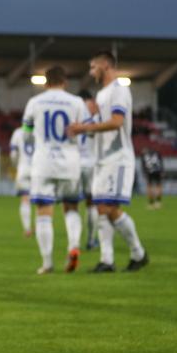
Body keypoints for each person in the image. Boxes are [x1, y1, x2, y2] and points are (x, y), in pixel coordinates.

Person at [68, 51, 149, 273]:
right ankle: (107, 260)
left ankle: (138, 253)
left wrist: (86, 127)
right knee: (101, 208)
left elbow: (116, 122)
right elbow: (100, 125)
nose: (91, 71)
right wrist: (83, 126)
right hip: (102, 159)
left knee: (108, 207)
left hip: (118, 158)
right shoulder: (102, 94)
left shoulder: (119, 90)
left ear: (105, 65)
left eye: (93, 67)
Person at [22, 66, 88, 274]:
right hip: (70, 162)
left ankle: (47, 263)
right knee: (71, 208)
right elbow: (86, 132)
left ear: (45, 82)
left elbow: (26, 133)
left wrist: (35, 138)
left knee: (43, 212)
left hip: (43, 163)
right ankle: (74, 246)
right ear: (65, 82)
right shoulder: (77, 102)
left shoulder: (35, 102)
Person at [77, 90, 99, 249]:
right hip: (91, 165)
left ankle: (74, 243)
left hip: (75, 165)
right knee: (92, 204)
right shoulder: (97, 120)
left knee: (72, 205)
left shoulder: (72, 118)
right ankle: (91, 240)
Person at [9, 126, 34, 237]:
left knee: (25, 198)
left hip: (23, 168)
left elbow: (13, 155)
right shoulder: (40, 130)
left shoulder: (17, 132)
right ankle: (40, 225)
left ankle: (27, 229)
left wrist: (16, 166)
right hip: (38, 169)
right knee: (41, 201)